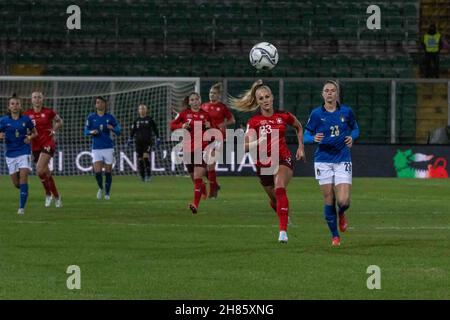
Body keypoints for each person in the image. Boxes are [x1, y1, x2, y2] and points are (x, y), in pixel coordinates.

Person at [230, 80, 305, 243]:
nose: (265, 100)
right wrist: (259, 141)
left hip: (283, 158)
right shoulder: (254, 122)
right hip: (263, 164)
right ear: (257, 102)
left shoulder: (283, 116)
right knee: (274, 199)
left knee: (279, 188)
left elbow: (298, 127)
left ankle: (283, 232)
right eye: (261, 98)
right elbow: (245, 147)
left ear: (272, 97)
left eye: (267, 96)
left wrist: (301, 146)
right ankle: (283, 214)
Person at [303, 80, 359, 247]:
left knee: (343, 201)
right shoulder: (316, 114)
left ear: (337, 94)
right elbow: (305, 136)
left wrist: (352, 138)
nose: (329, 93)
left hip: (342, 158)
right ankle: (335, 236)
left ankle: (341, 213)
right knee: (329, 198)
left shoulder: (346, 112)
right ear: (322, 94)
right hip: (323, 161)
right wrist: (313, 138)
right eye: (326, 90)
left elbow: (355, 129)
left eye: (332, 90)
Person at [170, 92, 211, 214]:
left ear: (200, 101)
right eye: (192, 100)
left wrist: (210, 127)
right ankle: (203, 190)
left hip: (201, 149)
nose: (195, 101)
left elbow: (216, 130)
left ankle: (195, 204)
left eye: (196, 99)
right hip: (188, 149)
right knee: (194, 178)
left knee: (197, 177)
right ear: (189, 102)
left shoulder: (206, 115)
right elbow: (172, 125)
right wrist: (182, 125)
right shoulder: (184, 114)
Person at [24, 91, 63, 208]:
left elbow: (59, 121)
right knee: (46, 172)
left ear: (42, 99)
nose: (37, 99)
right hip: (35, 145)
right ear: (31, 100)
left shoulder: (48, 112)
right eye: (34, 97)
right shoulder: (27, 114)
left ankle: (48, 194)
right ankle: (56, 196)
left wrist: (54, 129)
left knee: (40, 170)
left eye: (39, 97)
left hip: (48, 142)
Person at [0, 96, 38, 214]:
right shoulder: (3, 120)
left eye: (17, 104)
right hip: (10, 154)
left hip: (24, 151)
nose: (15, 106)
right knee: (17, 183)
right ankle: (24, 189)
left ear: (20, 106)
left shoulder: (26, 119)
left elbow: (35, 133)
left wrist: (29, 137)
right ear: (9, 106)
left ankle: (21, 208)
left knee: (23, 177)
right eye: (12, 104)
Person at [201, 82, 235, 198]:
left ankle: (212, 193)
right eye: (210, 93)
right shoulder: (204, 106)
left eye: (214, 93)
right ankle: (214, 184)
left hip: (218, 137)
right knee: (203, 166)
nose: (212, 95)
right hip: (206, 138)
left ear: (218, 95)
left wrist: (223, 123)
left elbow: (232, 120)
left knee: (210, 165)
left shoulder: (222, 107)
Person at [84, 96, 121, 200]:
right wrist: (91, 132)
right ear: (95, 105)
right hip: (96, 148)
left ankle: (107, 194)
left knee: (108, 171)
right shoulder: (91, 117)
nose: (99, 104)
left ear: (104, 104)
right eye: (97, 102)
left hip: (108, 147)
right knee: (98, 172)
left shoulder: (110, 117)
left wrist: (112, 128)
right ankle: (100, 188)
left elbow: (119, 131)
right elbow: (85, 131)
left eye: (100, 102)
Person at [128, 104, 161, 182]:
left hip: (147, 142)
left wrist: (158, 137)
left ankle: (148, 175)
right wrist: (130, 139)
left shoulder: (150, 119)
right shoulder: (136, 121)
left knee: (145, 158)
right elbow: (133, 131)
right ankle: (142, 176)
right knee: (140, 160)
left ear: (146, 110)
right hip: (138, 143)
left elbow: (155, 129)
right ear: (138, 111)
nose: (142, 110)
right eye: (140, 109)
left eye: (143, 109)